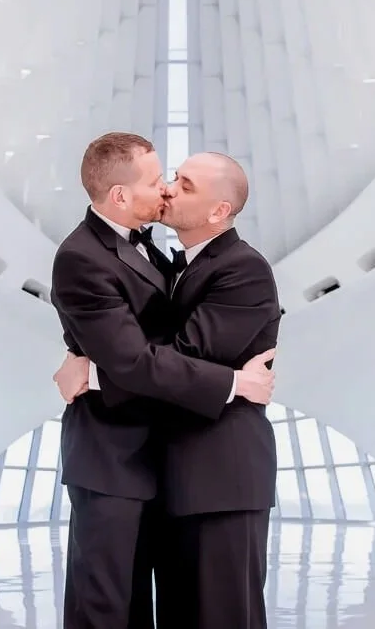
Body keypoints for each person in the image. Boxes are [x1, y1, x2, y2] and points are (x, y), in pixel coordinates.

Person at [50, 133, 275, 629]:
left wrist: (91, 371)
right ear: (121, 197)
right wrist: (234, 382)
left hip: (213, 472)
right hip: (116, 460)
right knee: (109, 610)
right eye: (160, 180)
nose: (168, 189)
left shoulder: (236, 268)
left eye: (179, 182)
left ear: (218, 211)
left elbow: (176, 352)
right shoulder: (86, 255)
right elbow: (139, 359)